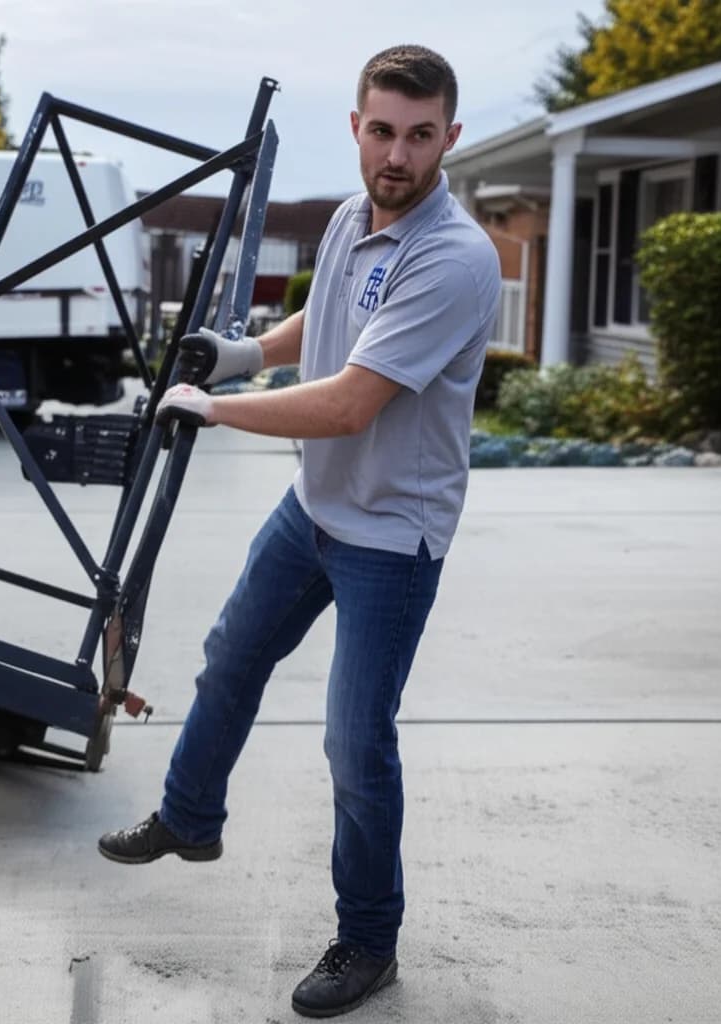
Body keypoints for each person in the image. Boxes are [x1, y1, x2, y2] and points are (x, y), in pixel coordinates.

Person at [98, 44, 501, 1019]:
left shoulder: (455, 257)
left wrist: (211, 407)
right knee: (231, 653)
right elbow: (318, 324)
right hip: (316, 507)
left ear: (450, 136)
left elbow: (352, 402)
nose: (396, 155)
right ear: (356, 128)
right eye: (381, 131)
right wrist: (234, 354)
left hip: (392, 536)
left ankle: (368, 939)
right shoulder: (347, 216)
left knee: (354, 742)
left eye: (418, 135)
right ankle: (191, 817)